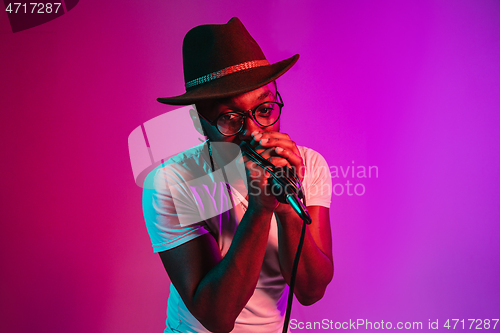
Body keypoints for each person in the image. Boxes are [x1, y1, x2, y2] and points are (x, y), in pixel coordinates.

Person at [142, 17, 333, 333]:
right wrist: (260, 210)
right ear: (198, 122)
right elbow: (217, 317)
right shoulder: (172, 181)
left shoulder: (308, 166)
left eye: (265, 110)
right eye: (230, 119)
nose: (255, 132)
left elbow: (311, 292)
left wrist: (288, 212)